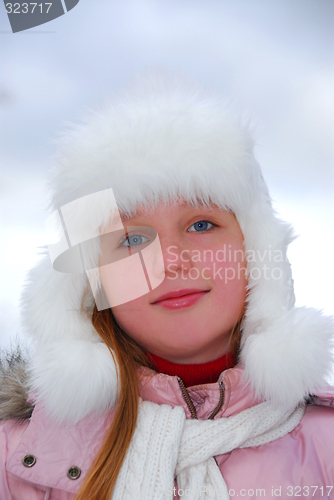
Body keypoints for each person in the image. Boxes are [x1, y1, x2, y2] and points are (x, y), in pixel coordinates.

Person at [1, 71, 334, 500]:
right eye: (133, 239)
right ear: (91, 282)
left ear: (255, 249)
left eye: (201, 224)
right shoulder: (18, 457)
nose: (171, 260)